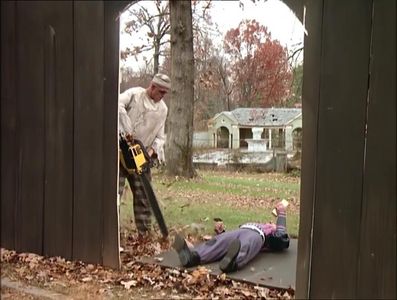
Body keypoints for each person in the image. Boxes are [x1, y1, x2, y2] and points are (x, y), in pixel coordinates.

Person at [118, 73, 171, 236]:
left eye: (165, 93)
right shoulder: (134, 95)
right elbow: (117, 104)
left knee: (144, 197)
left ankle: (144, 236)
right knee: (115, 195)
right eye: (161, 92)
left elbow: (161, 137)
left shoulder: (163, 109)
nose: (162, 96)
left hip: (141, 155)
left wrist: (150, 152)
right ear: (153, 86)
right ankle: (112, 234)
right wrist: (128, 132)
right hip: (121, 150)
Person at [172, 201, 290, 273]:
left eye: (274, 224)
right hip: (239, 230)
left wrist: (282, 214)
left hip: (256, 235)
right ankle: (193, 257)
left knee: (245, 245)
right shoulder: (257, 224)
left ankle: (233, 262)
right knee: (219, 241)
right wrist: (221, 231)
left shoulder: (268, 235)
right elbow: (230, 243)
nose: (271, 223)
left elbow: (281, 236)